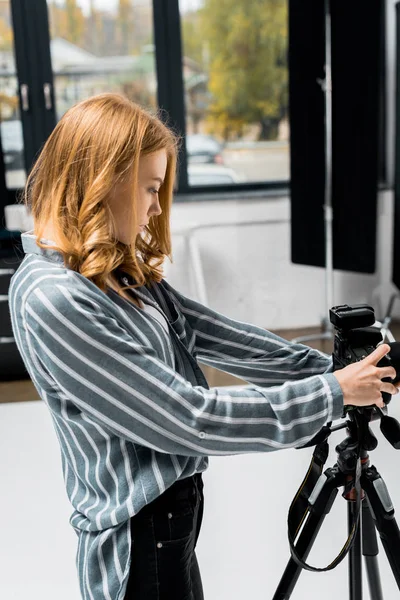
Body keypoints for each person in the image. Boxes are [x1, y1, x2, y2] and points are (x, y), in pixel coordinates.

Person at [8, 93, 399, 600]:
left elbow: (214, 333)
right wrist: (329, 392)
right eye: (149, 188)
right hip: (137, 547)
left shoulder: (106, 266)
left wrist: (334, 369)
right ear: (104, 180)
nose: (155, 206)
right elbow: (189, 419)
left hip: (172, 522)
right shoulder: (55, 298)